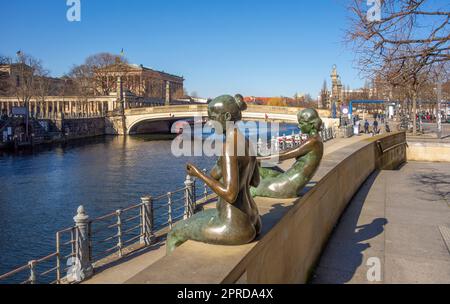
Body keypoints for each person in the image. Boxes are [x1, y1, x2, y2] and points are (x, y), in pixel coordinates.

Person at [166, 94, 261, 254]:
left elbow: (230, 195)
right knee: (197, 218)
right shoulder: (246, 142)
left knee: (174, 233)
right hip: (252, 217)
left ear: (226, 116)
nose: (209, 123)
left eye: (212, 118)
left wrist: (198, 174)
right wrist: (220, 163)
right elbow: (255, 182)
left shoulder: (229, 146)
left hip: (233, 226)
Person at [250, 108, 324, 199]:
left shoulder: (313, 142)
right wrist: (261, 157)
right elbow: (287, 150)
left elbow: (284, 155)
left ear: (312, 125)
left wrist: (256, 159)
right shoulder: (313, 139)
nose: (299, 126)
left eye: (301, 123)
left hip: (289, 185)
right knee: (261, 167)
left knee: (253, 188)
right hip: (288, 178)